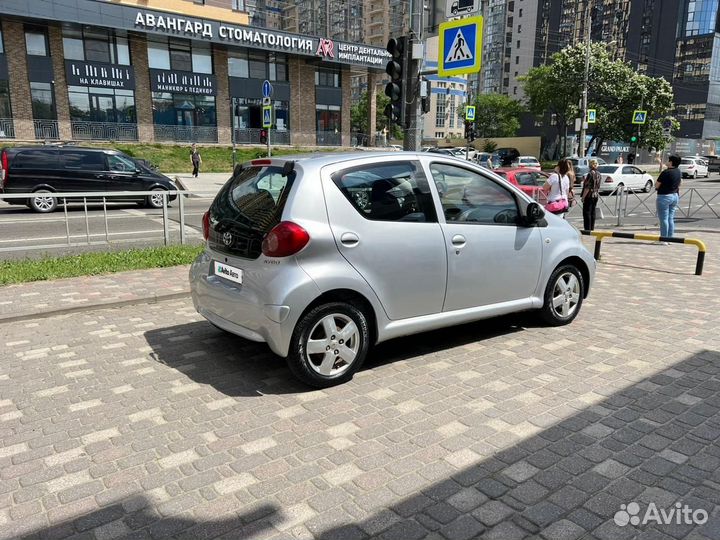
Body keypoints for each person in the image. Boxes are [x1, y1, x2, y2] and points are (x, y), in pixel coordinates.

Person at [655, 154, 682, 242]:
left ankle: (664, 239)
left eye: (668, 160)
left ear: (671, 162)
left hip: (664, 196)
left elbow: (657, 185)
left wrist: (657, 188)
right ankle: (670, 238)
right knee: (670, 218)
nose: (667, 161)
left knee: (663, 219)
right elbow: (680, 183)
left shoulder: (665, 172)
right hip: (675, 196)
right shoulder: (678, 171)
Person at [581, 159, 602, 231]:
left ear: (590, 165)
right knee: (593, 212)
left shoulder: (590, 174)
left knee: (587, 213)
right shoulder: (599, 174)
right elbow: (598, 186)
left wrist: (583, 197)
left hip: (589, 195)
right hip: (595, 195)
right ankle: (592, 228)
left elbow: (587, 188)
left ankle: (587, 229)